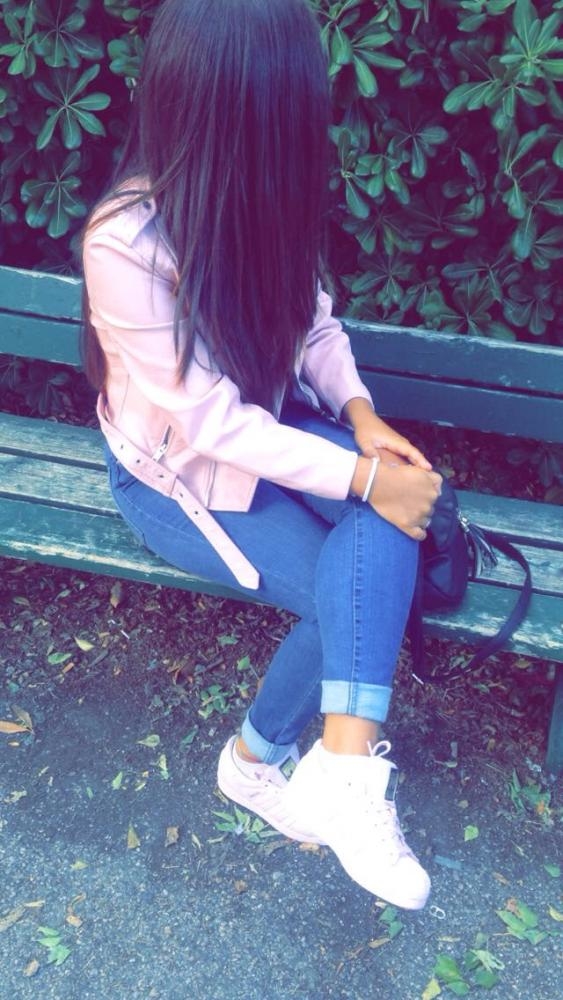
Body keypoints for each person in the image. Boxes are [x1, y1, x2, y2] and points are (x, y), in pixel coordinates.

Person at [82, 0, 442, 911]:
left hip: (274, 436)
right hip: (173, 479)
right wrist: (363, 476)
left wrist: (360, 417)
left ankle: (313, 769)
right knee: (347, 586)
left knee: (382, 533)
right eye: (283, 104)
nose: (298, 125)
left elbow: (311, 324)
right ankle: (269, 768)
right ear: (222, 107)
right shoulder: (126, 243)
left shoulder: (262, 189)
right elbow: (210, 424)